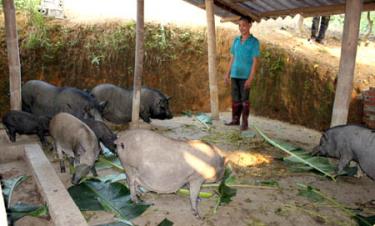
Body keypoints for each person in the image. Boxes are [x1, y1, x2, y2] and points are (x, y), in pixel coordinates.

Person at [224, 16, 260, 131]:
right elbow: (232, 58)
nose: (241, 28)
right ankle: (235, 120)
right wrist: (227, 74)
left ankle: (244, 123)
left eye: (244, 25)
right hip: (235, 74)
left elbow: (255, 61)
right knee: (235, 99)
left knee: (245, 100)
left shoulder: (254, 42)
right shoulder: (236, 40)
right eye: (239, 25)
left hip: (245, 76)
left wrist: (250, 78)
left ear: (250, 25)